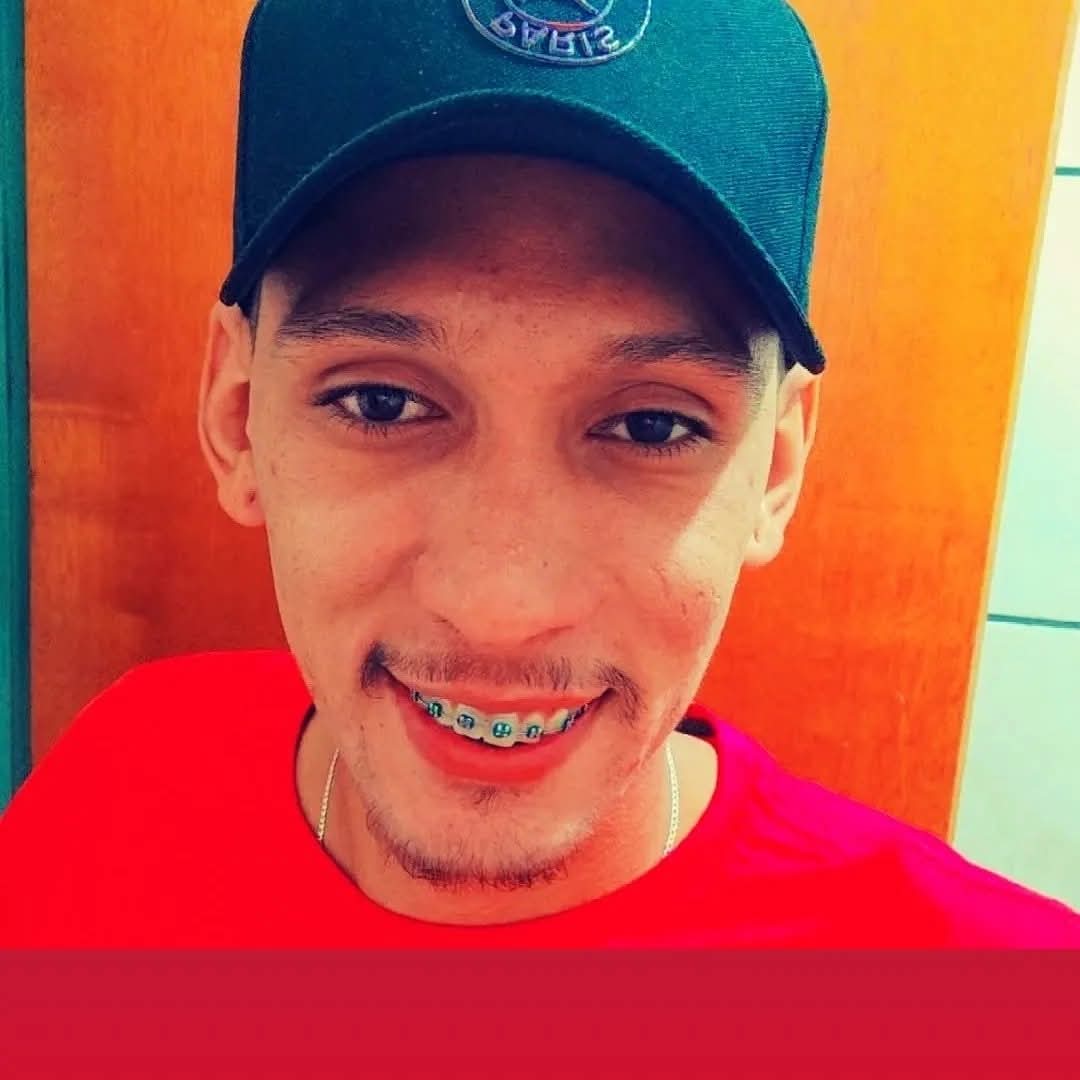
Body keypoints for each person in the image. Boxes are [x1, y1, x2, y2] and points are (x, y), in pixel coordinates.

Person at [1, 0, 1077, 946]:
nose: (501, 607)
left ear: (776, 470)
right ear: (238, 416)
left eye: (650, 425)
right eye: (383, 403)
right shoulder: (121, 785)